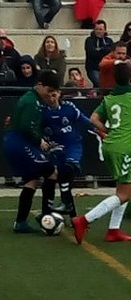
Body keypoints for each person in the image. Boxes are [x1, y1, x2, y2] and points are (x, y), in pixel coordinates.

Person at [71, 62, 131, 244]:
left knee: (122, 187)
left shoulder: (109, 98)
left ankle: (113, 229)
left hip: (110, 144)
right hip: (124, 147)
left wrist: (107, 129)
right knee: (126, 193)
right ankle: (84, 220)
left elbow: (93, 119)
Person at [3, 70, 60, 233]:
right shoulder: (31, 101)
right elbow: (26, 126)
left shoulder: (33, 99)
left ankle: (20, 222)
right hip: (19, 142)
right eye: (48, 91)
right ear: (40, 86)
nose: (50, 95)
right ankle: (46, 215)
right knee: (51, 171)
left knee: (32, 180)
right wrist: (39, 140)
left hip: (14, 141)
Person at [41, 88, 98, 219]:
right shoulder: (42, 112)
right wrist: (42, 140)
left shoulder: (69, 107)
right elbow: (36, 129)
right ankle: (50, 213)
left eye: (53, 95)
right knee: (52, 179)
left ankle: (68, 208)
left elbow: (84, 120)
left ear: (59, 94)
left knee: (66, 171)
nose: (51, 99)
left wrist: (99, 130)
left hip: (72, 146)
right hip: (54, 149)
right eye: (47, 96)